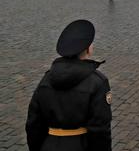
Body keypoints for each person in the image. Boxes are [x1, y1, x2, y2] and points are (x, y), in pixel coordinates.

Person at [26, 19, 112, 151]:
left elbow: (34, 123)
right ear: (88, 49)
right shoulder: (98, 82)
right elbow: (100, 130)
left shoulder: (46, 79)